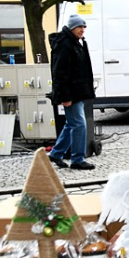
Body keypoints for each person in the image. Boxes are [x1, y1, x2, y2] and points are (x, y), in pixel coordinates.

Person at [49, 15, 96, 170]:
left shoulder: (76, 43)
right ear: (71, 28)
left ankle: (56, 153)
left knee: (72, 124)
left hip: (77, 92)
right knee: (79, 124)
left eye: (84, 27)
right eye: (79, 27)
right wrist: (65, 96)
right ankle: (77, 159)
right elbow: (60, 73)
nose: (82, 30)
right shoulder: (65, 45)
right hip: (71, 93)